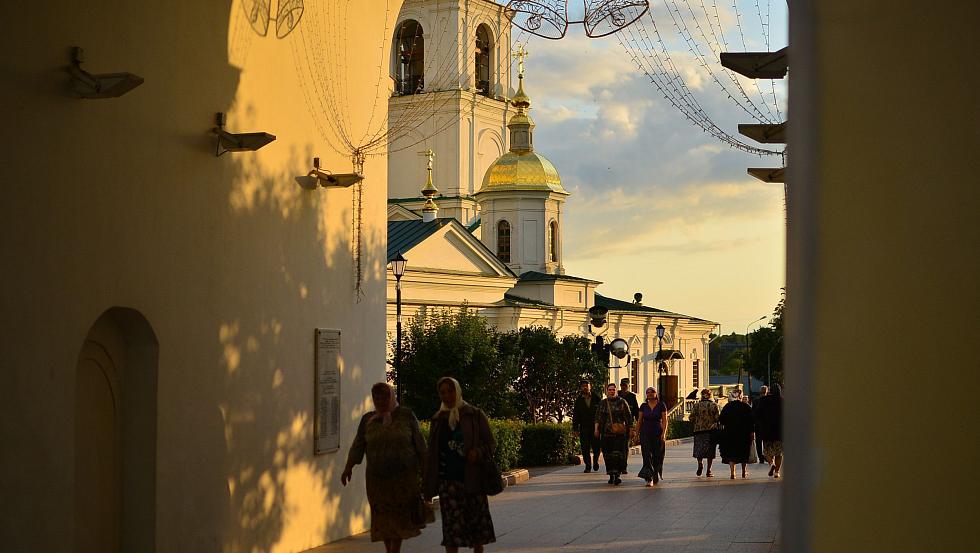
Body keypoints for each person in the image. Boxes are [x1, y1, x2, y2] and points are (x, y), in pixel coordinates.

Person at [341, 382, 427, 553]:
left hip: (404, 479)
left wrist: (427, 471)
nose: (380, 400)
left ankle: (395, 549)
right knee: (383, 518)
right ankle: (390, 550)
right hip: (377, 480)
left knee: (399, 516)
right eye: (376, 397)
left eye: (384, 396)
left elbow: (420, 444)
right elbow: (358, 444)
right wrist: (348, 467)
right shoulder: (368, 419)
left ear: (392, 396)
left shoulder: (406, 415)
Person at [422, 377, 496, 553]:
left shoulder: (474, 414)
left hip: (472, 481)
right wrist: (429, 485)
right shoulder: (438, 419)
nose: (447, 395)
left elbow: (490, 443)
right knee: (451, 531)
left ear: (458, 390)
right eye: (443, 392)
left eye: (450, 390)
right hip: (448, 483)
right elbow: (433, 454)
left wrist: (477, 452)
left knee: (477, 529)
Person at [594, 382, 633, 485]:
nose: (611, 392)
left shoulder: (622, 402)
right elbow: (597, 417)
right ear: (607, 391)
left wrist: (631, 430)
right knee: (608, 455)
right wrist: (596, 429)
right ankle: (611, 475)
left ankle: (617, 475)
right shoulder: (603, 403)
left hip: (619, 434)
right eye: (609, 390)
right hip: (606, 433)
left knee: (618, 455)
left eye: (613, 390)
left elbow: (628, 418)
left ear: (616, 391)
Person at [634, 387, 668, 486]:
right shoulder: (643, 406)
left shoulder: (661, 405)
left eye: (652, 392)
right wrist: (636, 434)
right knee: (646, 455)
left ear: (656, 394)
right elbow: (639, 421)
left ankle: (655, 473)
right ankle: (649, 477)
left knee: (657, 455)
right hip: (645, 433)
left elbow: (665, 420)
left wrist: (664, 433)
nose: (649, 394)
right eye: (647, 392)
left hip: (658, 432)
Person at [719, 388, 755, 479]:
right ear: (741, 396)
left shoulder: (727, 407)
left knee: (731, 453)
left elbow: (721, 420)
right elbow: (751, 421)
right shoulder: (746, 407)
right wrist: (752, 432)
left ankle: (733, 472)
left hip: (730, 433)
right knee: (744, 452)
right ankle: (743, 471)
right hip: (744, 434)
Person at [571, 380, 602, 472]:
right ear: (581, 388)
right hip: (584, 427)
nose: (585, 387)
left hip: (595, 427)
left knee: (596, 446)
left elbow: (601, 412)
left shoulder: (596, 398)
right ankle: (588, 465)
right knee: (585, 447)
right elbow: (575, 415)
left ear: (590, 387)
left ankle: (595, 461)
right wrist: (575, 428)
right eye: (583, 386)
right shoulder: (579, 400)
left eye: (587, 386)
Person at [689, 388, 720, 477]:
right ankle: (709, 470)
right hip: (710, 431)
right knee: (710, 450)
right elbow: (717, 418)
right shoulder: (714, 405)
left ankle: (700, 463)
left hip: (698, 430)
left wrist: (697, 422)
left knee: (699, 448)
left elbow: (691, 417)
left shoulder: (696, 405)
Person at [754, 383, 783, 478]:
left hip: (766, 430)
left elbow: (757, 414)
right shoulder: (783, 401)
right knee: (779, 453)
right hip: (779, 431)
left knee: (767, 452)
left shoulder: (763, 400)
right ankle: (777, 472)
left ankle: (771, 463)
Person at [618, 378, 639, 473]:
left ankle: (623, 466)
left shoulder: (632, 397)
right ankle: (617, 466)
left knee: (625, 446)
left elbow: (636, 412)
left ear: (628, 386)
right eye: (622, 385)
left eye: (625, 385)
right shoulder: (616, 395)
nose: (623, 387)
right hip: (617, 425)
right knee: (617, 446)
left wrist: (638, 425)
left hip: (627, 425)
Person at [753, 385, 770, 464]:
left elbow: (753, 413)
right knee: (766, 440)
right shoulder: (769, 400)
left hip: (757, 424)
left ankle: (761, 457)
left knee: (758, 441)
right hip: (766, 424)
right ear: (767, 391)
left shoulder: (756, 400)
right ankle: (767, 455)